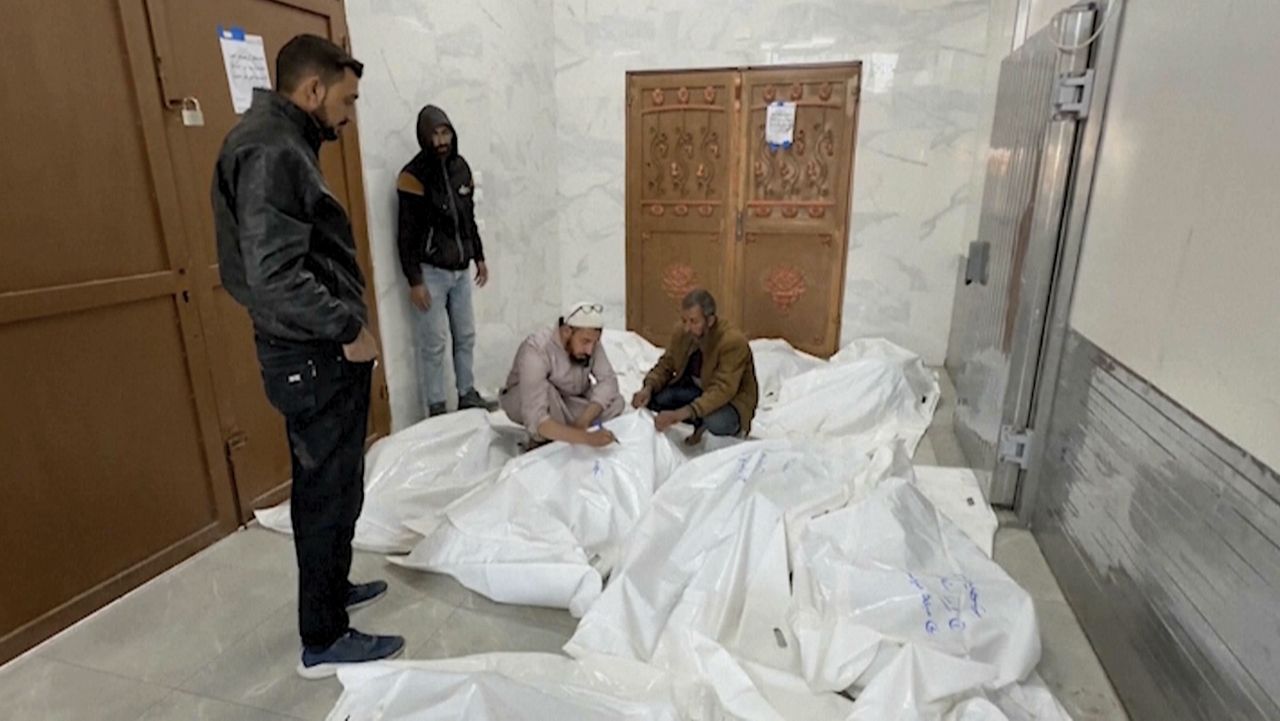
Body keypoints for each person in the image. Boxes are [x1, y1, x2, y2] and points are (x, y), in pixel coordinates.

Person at [212, 34, 403, 679]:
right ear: (313, 89)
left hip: (317, 353)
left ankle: (332, 591)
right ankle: (323, 639)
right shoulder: (269, 149)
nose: (349, 116)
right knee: (324, 492)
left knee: (337, 483)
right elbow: (273, 278)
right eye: (346, 100)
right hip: (314, 355)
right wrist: (347, 326)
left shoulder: (282, 140)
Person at [396, 104, 495, 417]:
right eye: (434, 134)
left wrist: (478, 256)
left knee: (465, 335)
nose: (441, 140)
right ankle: (437, 407)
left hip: (461, 271)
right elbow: (406, 233)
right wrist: (415, 280)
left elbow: (468, 219)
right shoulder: (412, 177)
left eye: (445, 133)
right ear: (424, 137)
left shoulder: (461, 168)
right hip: (431, 274)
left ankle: (467, 394)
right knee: (434, 343)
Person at [632, 289, 759, 444]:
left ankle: (702, 422)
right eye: (684, 321)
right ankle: (697, 419)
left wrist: (681, 413)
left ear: (710, 321)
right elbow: (666, 363)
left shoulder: (732, 342)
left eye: (694, 322)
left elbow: (723, 389)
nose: (687, 327)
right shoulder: (682, 332)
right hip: (696, 392)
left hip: (729, 402)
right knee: (654, 400)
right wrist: (648, 387)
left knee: (716, 422)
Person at [500, 303, 624, 448]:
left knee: (616, 402)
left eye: (594, 343)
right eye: (585, 342)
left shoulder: (590, 343)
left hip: (567, 401)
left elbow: (608, 381)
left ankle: (561, 431)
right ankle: (545, 438)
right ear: (566, 332)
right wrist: (587, 438)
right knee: (548, 394)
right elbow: (536, 415)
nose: (590, 351)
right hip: (529, 401)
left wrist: (584, 419)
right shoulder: (537, 348)